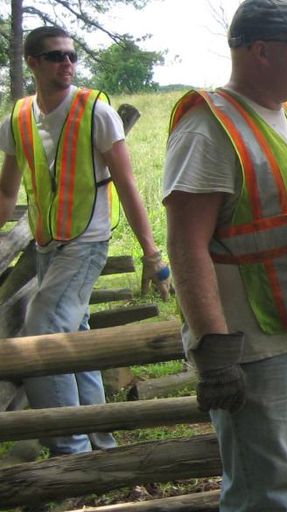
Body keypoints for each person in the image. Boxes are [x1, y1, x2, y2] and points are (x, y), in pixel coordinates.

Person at [162, 0, 287, 509]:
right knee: (261, 493)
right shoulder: (209, 128)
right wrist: (215, 355)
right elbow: (186, 246)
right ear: (261, 51)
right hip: (254, 352)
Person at [0, 26, 171, 456]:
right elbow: (6, 191)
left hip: (86, 242)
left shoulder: (95, 111)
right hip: (44, 244)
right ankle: (100, 436)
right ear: (32, 62)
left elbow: (128, 185)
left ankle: (69, 449)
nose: (68, 64)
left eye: (72, 56)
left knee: (42, 330)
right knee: (76, 334)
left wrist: (152, 252)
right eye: (56, 56)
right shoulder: (18, 119)